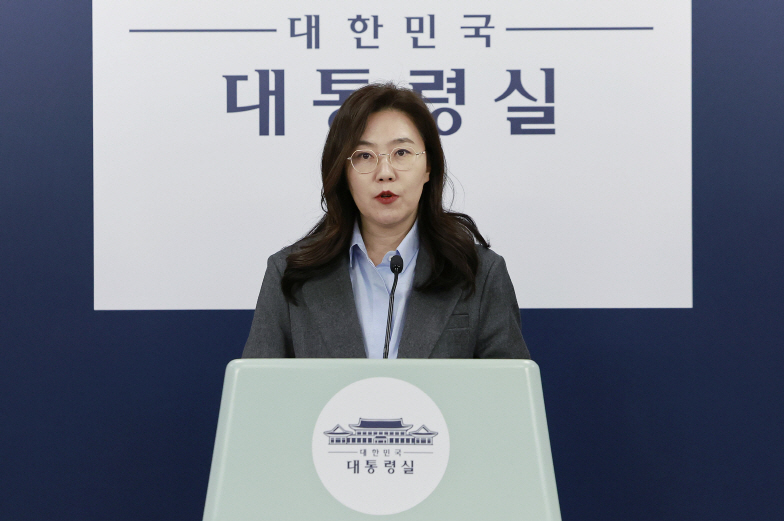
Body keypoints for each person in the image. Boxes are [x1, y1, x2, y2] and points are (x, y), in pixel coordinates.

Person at [242, 83, 529, 359]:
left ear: (428, 166)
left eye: (401, 153)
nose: (385, 173)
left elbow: (509, 390)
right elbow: (258, 389)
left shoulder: (480, 273)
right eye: (364, 156)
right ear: (343, 172)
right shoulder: (289, 274)